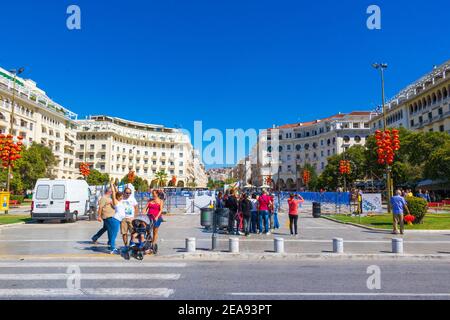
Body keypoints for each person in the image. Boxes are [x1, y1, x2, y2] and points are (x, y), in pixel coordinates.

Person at [109, 180, 125, 254]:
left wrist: (115, 186)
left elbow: (117, 191)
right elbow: (114, 192)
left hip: (118, 220)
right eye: (121, 196)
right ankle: (112, 248)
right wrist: (111, 184)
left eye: (122, 196)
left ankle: (112, 246)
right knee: (114, 235)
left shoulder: (120, 201)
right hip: (115, 220)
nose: (122, 197)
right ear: (118, 197)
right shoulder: (116, 202)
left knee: (114, 234)